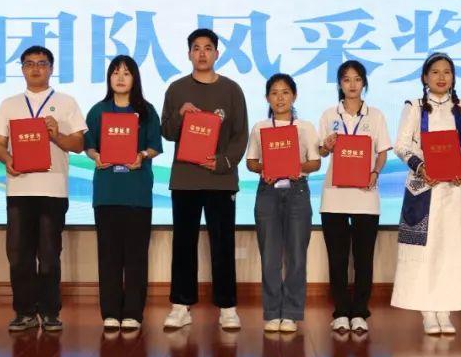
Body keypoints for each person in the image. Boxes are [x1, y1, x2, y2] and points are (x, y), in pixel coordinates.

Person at [391, 53, 461, 334]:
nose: (441, 77)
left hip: (453, 189)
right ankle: (427, 311)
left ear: (454, 77)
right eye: (435, 72)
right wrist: (421, 167)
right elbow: (401, 145)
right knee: (425, 249)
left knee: (450, 248)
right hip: (423, 187)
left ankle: (445, 311)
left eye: (447, 72)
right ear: (425, 77)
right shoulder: (414, 107)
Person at [0, 45, 86, 333]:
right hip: (19, 189)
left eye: (42, 63)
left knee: (49, 254)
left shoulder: (67, 102)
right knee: (19, 255)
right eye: (29, 64)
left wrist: (57, 134)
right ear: (22, 69)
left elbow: (78, 145)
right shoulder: (9, 104)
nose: (36, 68)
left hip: (52, 189)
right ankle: (24, 312)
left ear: (51, 69)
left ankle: (50, 311)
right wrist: (7, 159)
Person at [160, 28, 249, 330]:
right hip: (185, 179)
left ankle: (227, 307)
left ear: (216, 54)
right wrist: (180, 115)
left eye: (208, 48)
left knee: (223, 244)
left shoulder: (232, 90)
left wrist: (222, 162)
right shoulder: (176, 89)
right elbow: (166, 132)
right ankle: (180, 305)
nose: (202, 53)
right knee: (183, 244)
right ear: (189, 54)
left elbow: (240, 135)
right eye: (196, 48)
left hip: (220, 180)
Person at [84, 55, 163, 331]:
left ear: (134, 79)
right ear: (109, 77)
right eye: (115, 72)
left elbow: (155, 146)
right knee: (108, 255)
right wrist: (95, 156)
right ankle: (110, 311)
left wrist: (142, 155)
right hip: (107, 193)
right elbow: (89, 145)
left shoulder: (146, 111)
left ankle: (133, 312)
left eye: (126, 73)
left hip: (137, 193)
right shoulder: (98, 111)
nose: (120, 78)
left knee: (136, 256)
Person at [316, 60, 392, 334]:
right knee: (337, 259)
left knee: (363, 258)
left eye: (357, 79)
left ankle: (360, 311)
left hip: (365, 196)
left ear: (364, 83)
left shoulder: (376, 116)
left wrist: (375, 172)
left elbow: (382, 152)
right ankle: (340, 312)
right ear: (339, 84)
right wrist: (327, 145)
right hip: (334, 196)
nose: (352, 84)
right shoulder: (329, 114)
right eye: (346, 79)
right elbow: (321, 152)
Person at [245, 73, 320, 333]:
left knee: (297, 255)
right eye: (274, 93)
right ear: (267, 97)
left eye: (285, 92)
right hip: (267, 192)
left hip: (297, 191)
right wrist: (264, 168)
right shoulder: (260, 127)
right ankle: (272, 312)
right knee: (270, 256)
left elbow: (315, 162)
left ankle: (291, 313)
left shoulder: (305, 127)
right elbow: (251, 161)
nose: (280, 98)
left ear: (294, 96)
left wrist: (295, 167)